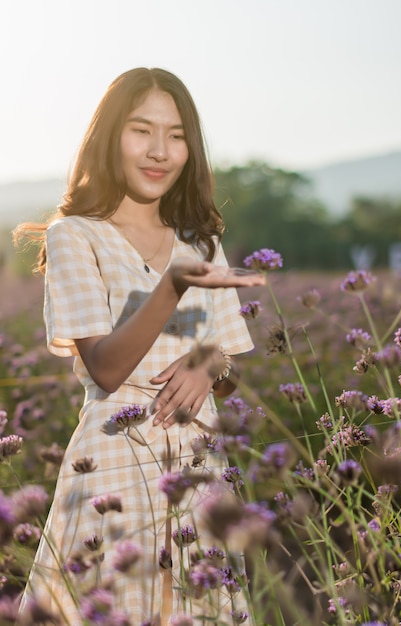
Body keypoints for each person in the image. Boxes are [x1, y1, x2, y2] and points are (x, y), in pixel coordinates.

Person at [14, 67, 265, 625]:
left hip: (200, 465)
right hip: (113, 467)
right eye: (141, 131)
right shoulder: (76, 234)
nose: (160, 151)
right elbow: (105, 367)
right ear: (110, 138)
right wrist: (174, 282)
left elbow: (228, 364)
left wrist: (208, 361)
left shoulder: (202, 241)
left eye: (176, 135)